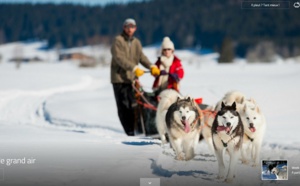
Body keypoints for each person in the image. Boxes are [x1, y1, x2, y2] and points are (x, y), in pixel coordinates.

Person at [110, 18, 160, 136]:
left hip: (131, 80)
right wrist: (134, 68)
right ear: (124, 28)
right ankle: (129, 132)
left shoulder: (136, 42)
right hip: (119, 79)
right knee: (123, 106)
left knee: (134, 105)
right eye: (128, 26)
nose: (130, 29)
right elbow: (119, 58)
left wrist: (151, 66)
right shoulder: (118, 41)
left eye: (132, 27)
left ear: (135, 28)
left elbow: (141, 57)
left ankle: (136, 130)